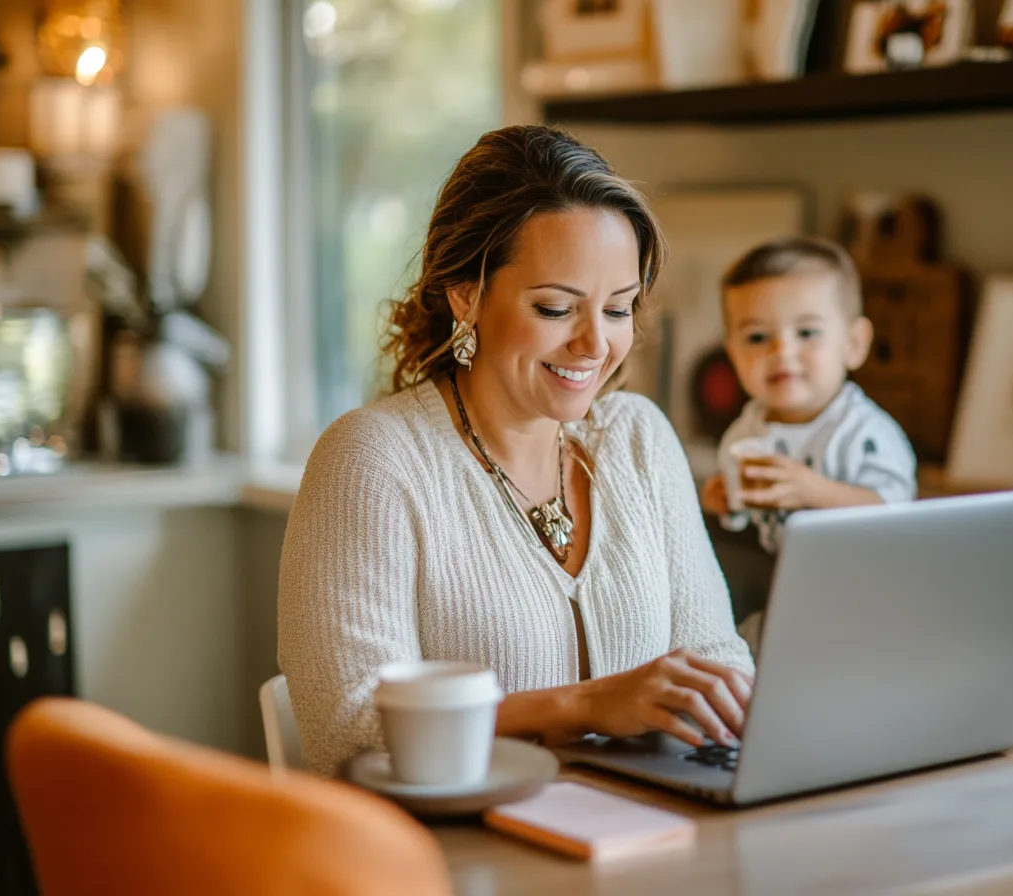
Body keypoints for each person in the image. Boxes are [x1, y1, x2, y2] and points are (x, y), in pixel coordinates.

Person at [278, 125, 754, 777]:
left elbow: (717, 662)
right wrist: (585, 704)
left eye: (618, 310)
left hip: (639, 839)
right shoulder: (372, 459)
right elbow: (349, 731)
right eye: (557, 309)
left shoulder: (637, 439)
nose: (595, 345)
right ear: (467, 294)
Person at [698, 238, 917, 648]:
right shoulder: (745, 433)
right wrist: (726, 502)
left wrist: (812, 490)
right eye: (758, 338)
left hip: (868, 590)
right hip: (788, 587)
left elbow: (898, 515)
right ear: (733, 354)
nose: (783, 351)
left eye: (807, 332)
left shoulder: (863, 432)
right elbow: (745, 521)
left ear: (853, 344)